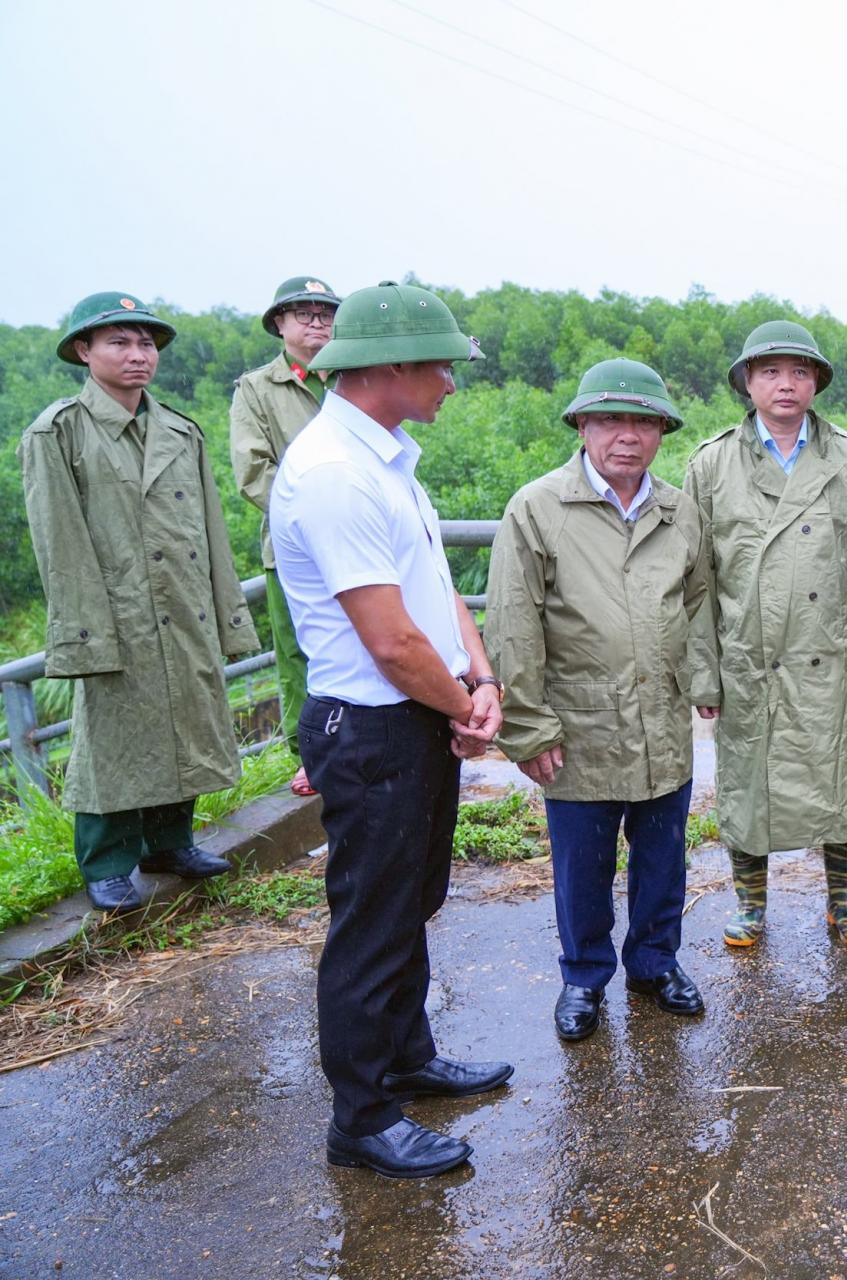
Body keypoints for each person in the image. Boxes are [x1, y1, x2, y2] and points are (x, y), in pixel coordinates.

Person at [272, 281, 510, 1177]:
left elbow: (434, 591)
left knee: (411, 901)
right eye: (440, 366)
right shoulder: (334, 472)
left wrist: (479, 680)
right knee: (371, 922)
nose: (450, 381)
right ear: (391, 367)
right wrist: (463, 709)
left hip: (416, 715)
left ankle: (406, 1056)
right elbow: (390, 640)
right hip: (373, 726)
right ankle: (363, 1117)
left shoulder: (387, 458)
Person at [486, 359, 711, 1038]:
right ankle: (583, 976)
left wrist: (700, 682)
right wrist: (528, 726)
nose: (627, 436)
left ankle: (654, 962)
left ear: (662, 432)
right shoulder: (538, 509)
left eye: (643, 422)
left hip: (660, 718)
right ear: (582, 426)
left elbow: (697, 604)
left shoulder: (678, 511)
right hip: (579, 723)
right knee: (581, 864)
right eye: (610, 420)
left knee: (663, 857)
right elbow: (514, 622)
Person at [20, 293, 257, 912]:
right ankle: (107, 862)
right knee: (115, 741)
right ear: (84, 351)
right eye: (119, 342)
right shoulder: (59, 431)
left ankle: (170, 843)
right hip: (115, 612)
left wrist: (228, 616)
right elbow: (60, 544)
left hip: (184, 605)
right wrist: (85, 634)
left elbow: (211, 533)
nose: (137, 355)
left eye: (146, 343)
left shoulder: (180, 429)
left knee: (187, 725)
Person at [683, 321, 847, 950]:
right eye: (770, 372)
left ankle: (843, 902)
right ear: (747, 383)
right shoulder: (711, 464)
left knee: (841, 782)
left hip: (828, 655)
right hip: (749, 659)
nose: (786, 384)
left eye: (799, 372)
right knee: (748, 786)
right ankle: (750, 905)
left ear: (816, 383)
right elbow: (697, 580)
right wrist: (703, 672)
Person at [231, 276, 342, 797]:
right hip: (294, 546)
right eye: (304, 313)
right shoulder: (257, 389)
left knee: (368, 641)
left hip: (361, 538)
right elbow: (253, 472)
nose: (317, 322)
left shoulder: (352, 376)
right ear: (280, 323)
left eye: (326, 313)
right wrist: (319, 514)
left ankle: (361, 742)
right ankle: (310, 755)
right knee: (300, 654)